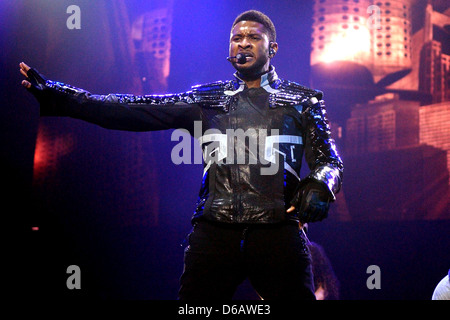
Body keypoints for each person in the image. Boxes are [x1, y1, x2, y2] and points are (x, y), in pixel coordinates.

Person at [20, 10, 343, 300]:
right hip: (215, 231)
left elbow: (328, 160)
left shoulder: (303, 100)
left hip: (278, 230)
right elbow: (133, 109)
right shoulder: (207, 98)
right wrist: (63, 96)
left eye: (253, 38)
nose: (243, 44)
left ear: (272, 48)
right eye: (237, 38)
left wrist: (321, 183)